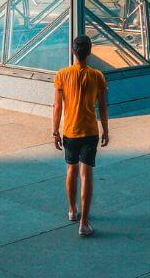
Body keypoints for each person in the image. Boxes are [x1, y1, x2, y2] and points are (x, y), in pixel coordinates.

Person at [52, 35, 109, 237]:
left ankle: (72, 210)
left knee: (71, 171)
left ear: (73, 52)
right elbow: (102, 106)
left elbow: (58, 106)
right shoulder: (98, 76)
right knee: (86, 175)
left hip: (70, 131)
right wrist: (106, 130)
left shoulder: (62, 75)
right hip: (90, 132)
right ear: (90, 51)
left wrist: (55, 131)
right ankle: (84, 223)